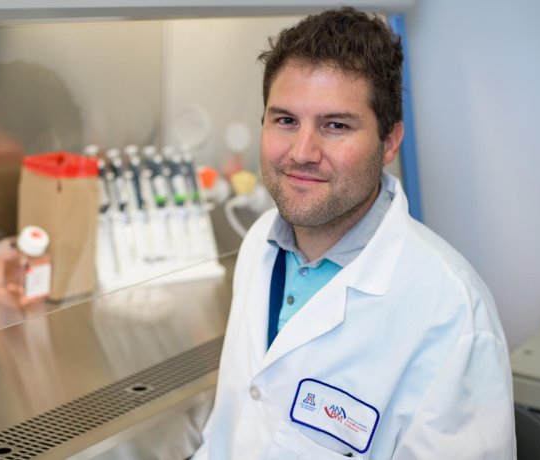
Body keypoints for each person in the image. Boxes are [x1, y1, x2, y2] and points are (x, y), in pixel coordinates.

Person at [193, 7, 515, 459]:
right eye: (285, 120)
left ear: (389, 142)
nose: (302, 152)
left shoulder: (452, 312)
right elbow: (229, 432)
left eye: (336, 125)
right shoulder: (260, 244)